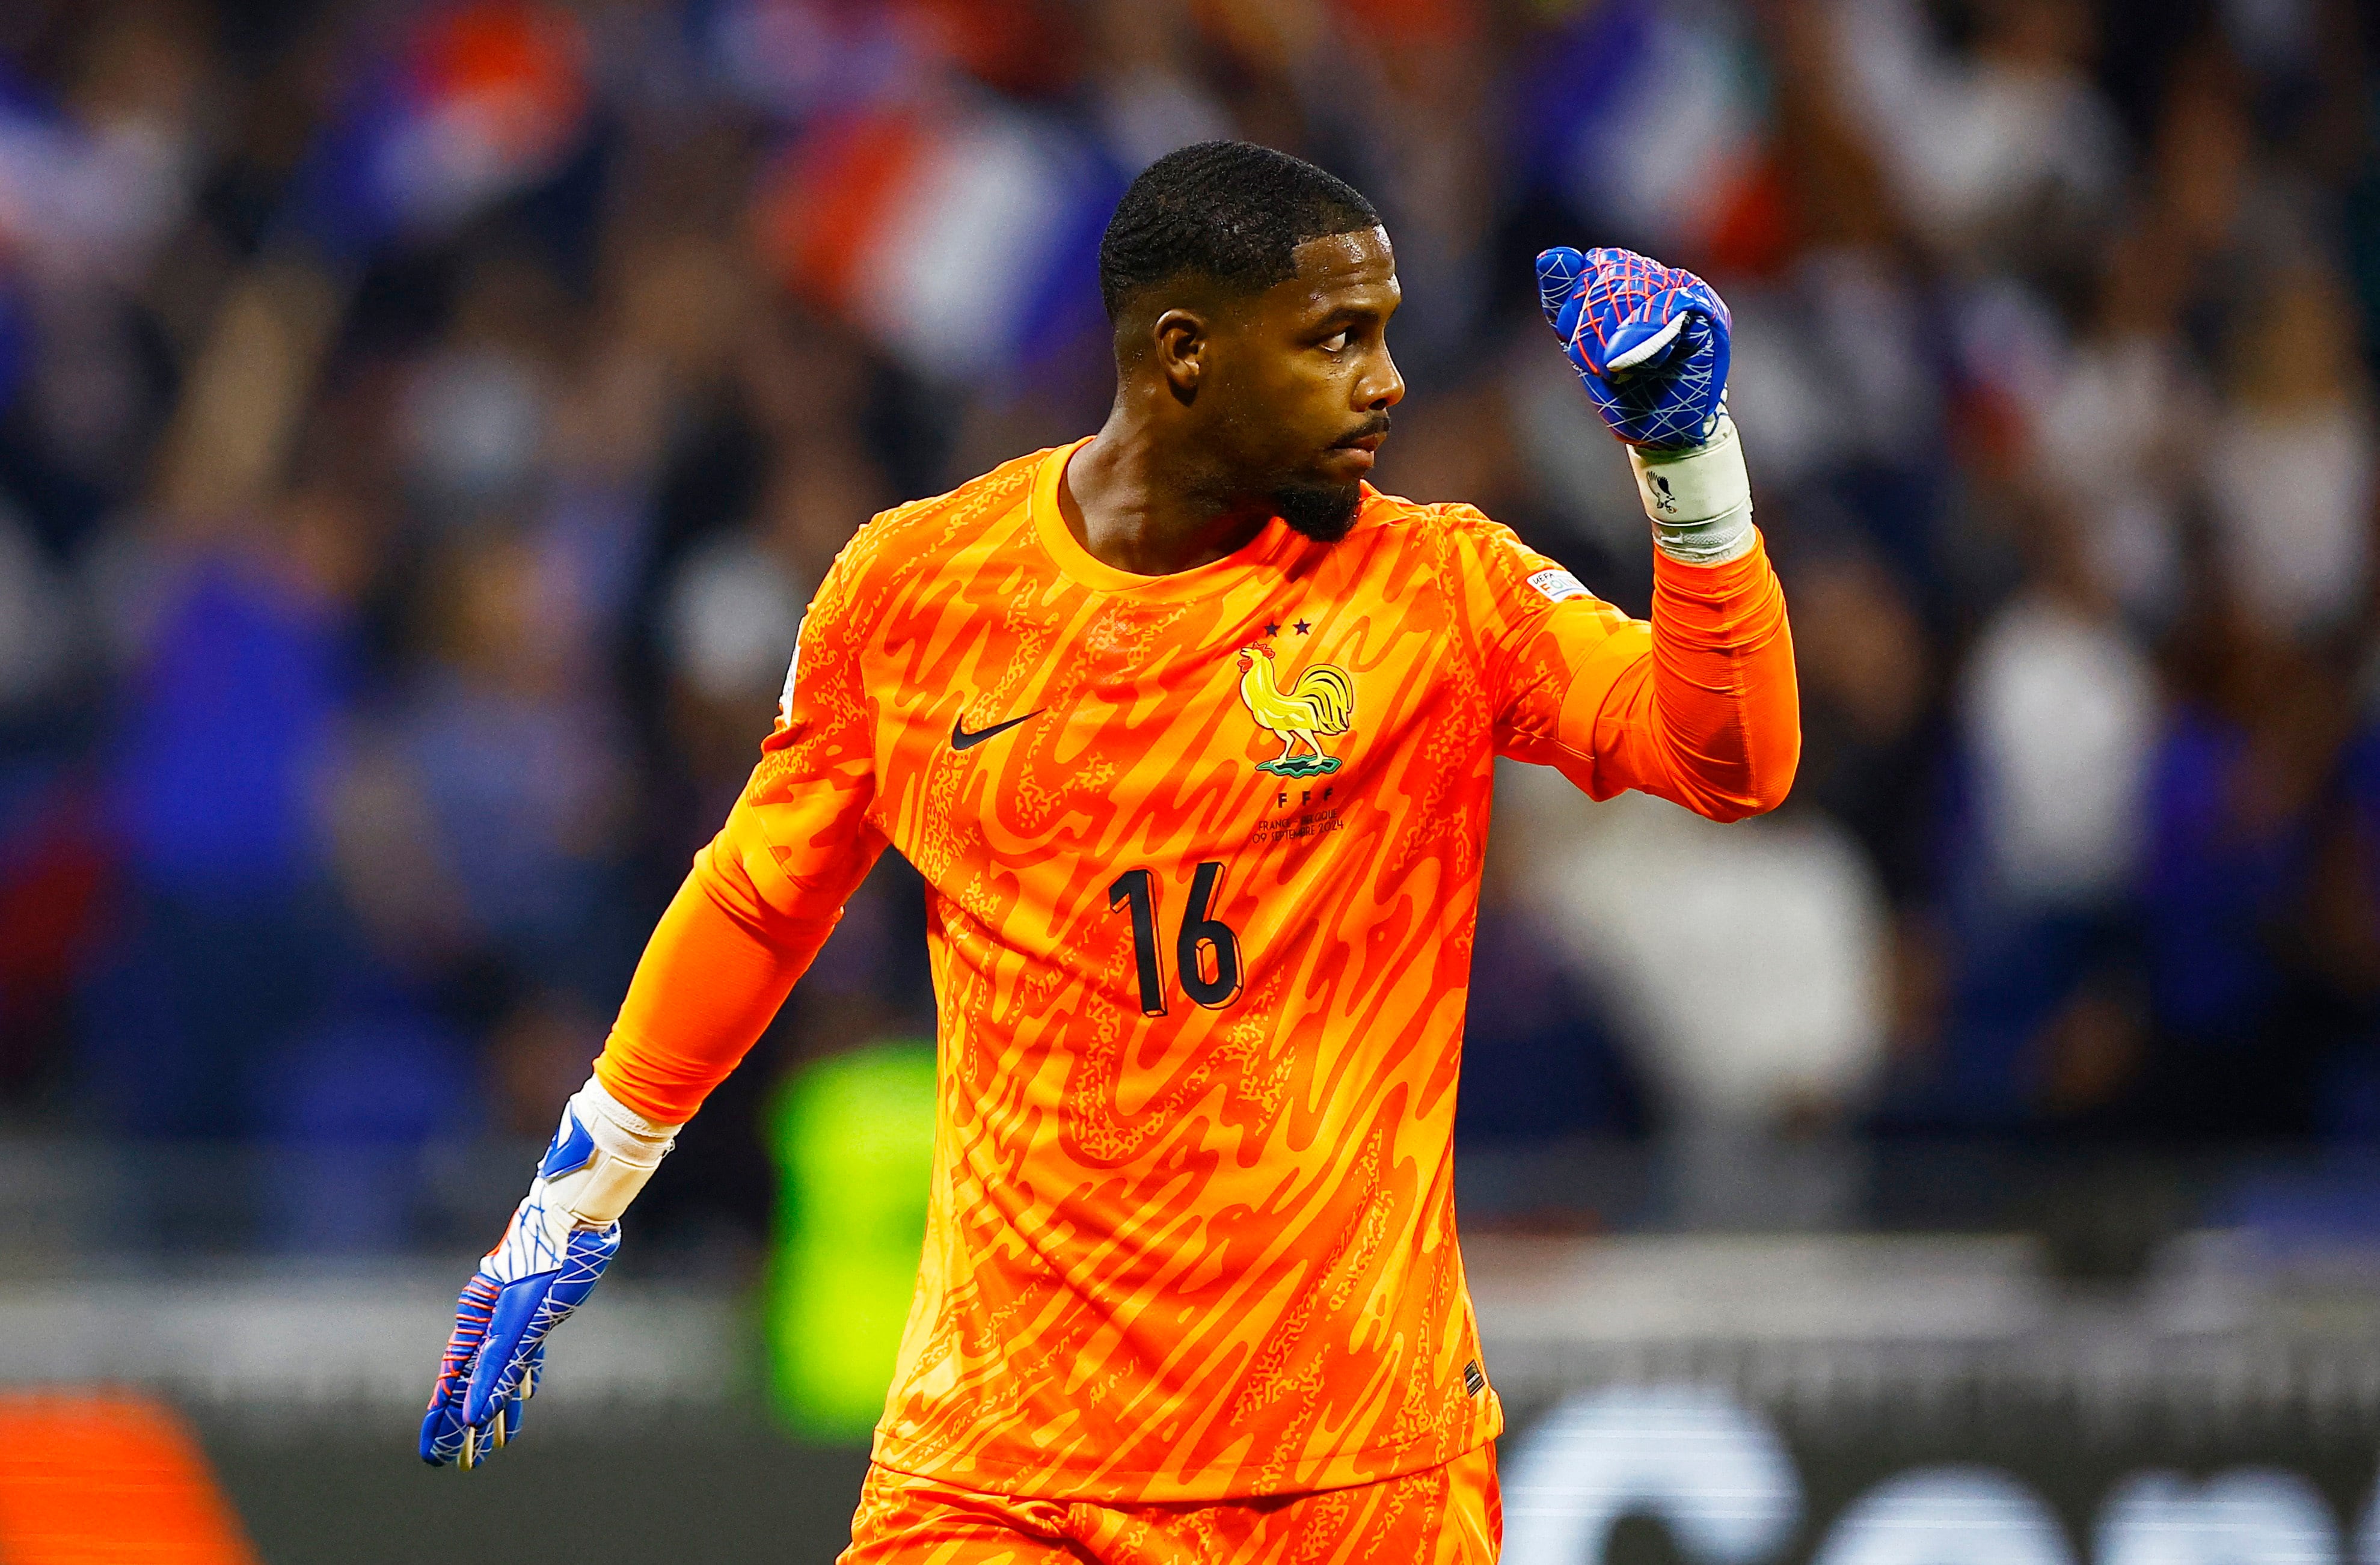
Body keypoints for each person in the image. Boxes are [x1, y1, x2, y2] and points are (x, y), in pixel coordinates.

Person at [419, 141, 1799, 1561]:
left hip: (1344, 1475)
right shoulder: (916, 589)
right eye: (1336, 341)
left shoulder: (1436, 591)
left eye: (1383, 338)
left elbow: (1726, 756)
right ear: (1182, 354)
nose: (1385, 384)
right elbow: (760, 899)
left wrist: (1685, 454)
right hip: (1000, 1474)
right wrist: (575, 1193)